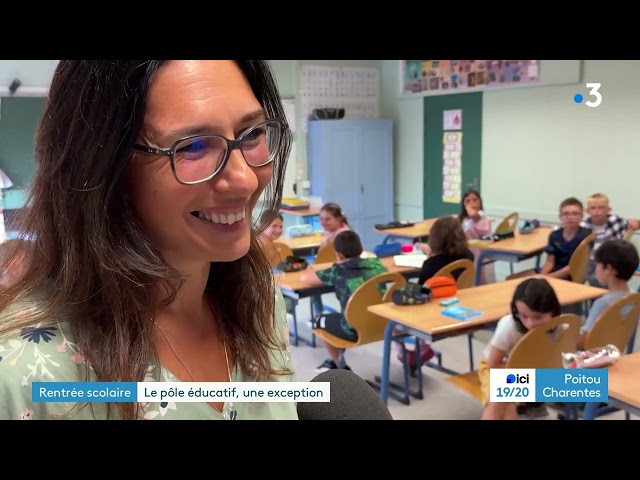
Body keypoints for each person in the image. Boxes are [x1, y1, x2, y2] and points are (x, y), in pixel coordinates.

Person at [0, 60, 298, 420]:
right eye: (193, 146)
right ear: (102, 168)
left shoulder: (262, 302)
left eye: (251, 134)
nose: (246, 180)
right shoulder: (27, 374)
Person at [300, 230, 387, 372]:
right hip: (382, 323)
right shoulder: (376, 265)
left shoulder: (338, 270)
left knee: (318, 320)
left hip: (353, 330)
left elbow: (305, 279)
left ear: (339, 255)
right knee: (340, 317)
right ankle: (335, 361)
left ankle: (341, 367)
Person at [478, 277, 561, 420]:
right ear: (516, 310)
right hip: (497, 368)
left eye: (538, 317)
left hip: (532, 370)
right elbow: (493, 365)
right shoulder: (509, 326)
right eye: (523, 316)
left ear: (552, 312)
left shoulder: (560, 326)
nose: (530, 323)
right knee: (503, 401)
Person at [577, 239, 640, 350]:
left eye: (598, 265)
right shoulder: (633, 297)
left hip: (591, 359)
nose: (596, 269)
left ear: (609, 269)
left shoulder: (603, 303)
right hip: (613, 354)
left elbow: (584, 343)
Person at [580, 193, 640, 287]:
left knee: (608, 279)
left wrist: (636, 223)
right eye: (593, 208)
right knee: (595, 280)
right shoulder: (583, 226)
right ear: (587, 211)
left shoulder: (615, 221)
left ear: (608, 210)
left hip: (613, 262)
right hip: (592, 262)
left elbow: (634, 223)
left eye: (601, 207)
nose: (597, 211)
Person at [539, 197, 592, 280]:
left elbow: (575, 266)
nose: (570, 217)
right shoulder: (554, 235)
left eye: (575, 214)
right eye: (566, 214)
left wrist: (548, 277)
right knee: (514, 279)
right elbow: (549, 262)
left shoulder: (587, 236)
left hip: (572, 275)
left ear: (581, 216)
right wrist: (541, 276)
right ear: (560, 217)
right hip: (554, 271)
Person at [417, 215, 474, 285]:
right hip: (460, 293)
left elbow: (422, 291)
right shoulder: (469, 256)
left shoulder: (431, 264)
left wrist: (431, 258)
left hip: (436, 295)